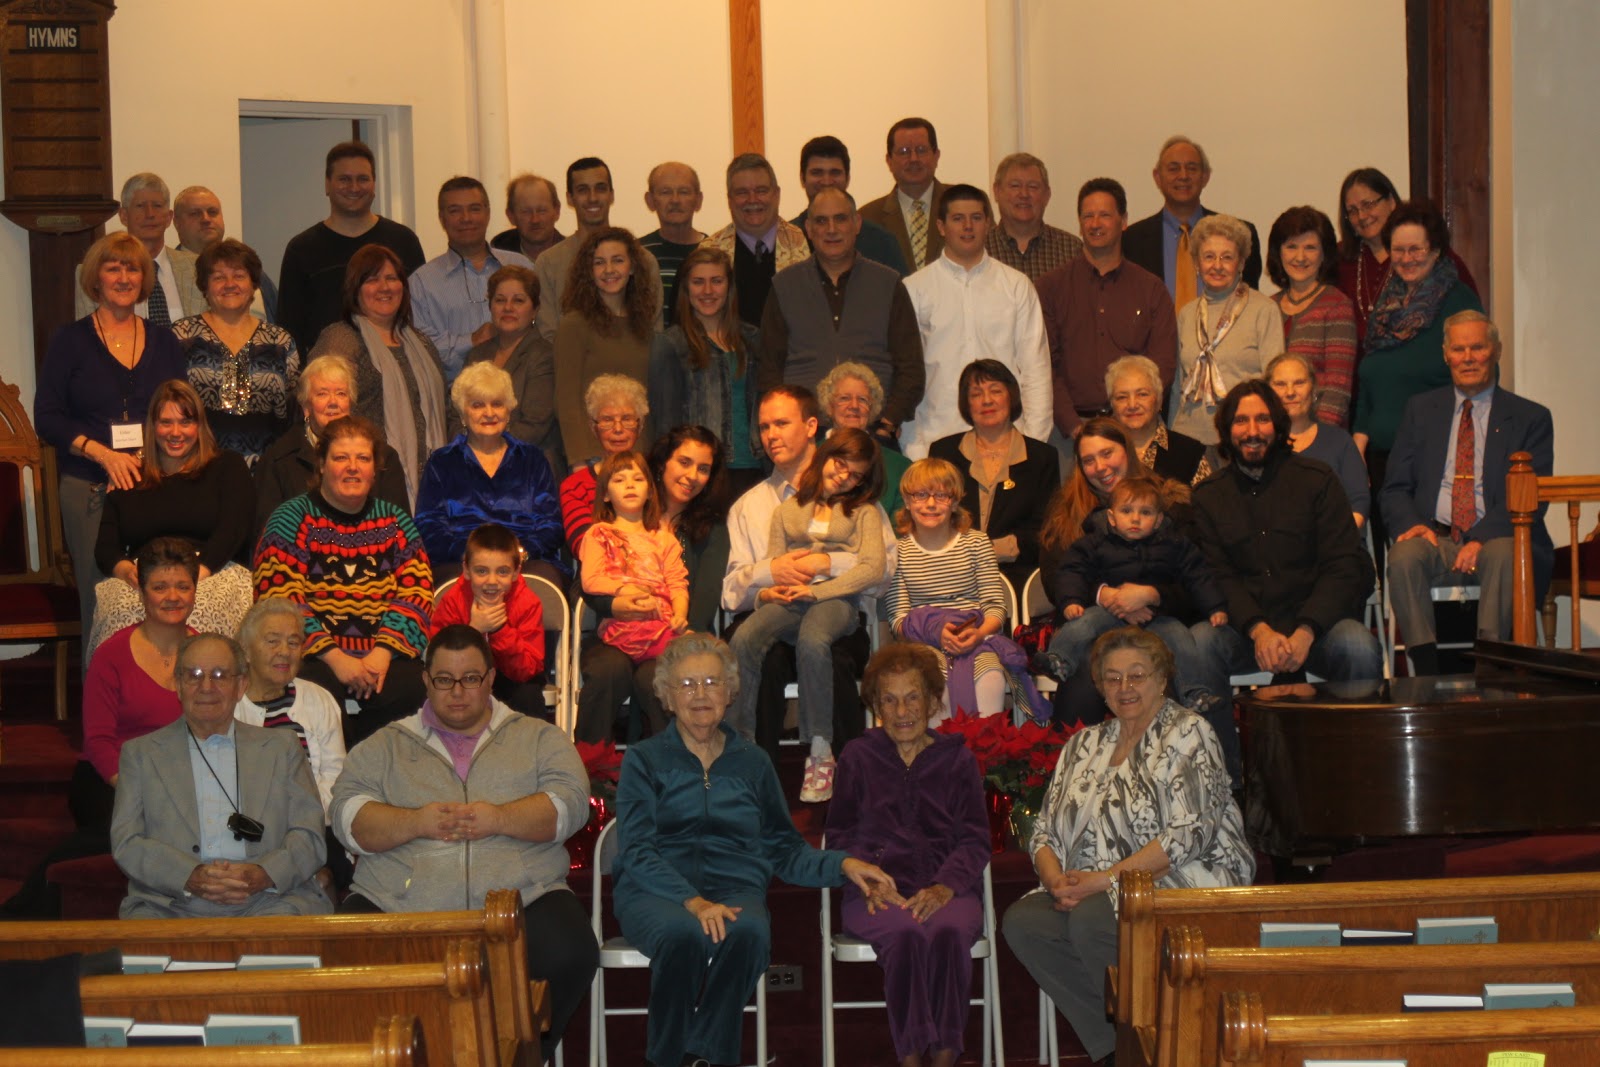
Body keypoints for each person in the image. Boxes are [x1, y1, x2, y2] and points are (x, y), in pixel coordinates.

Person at [612, 632, 896, 1067]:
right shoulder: (645, 759)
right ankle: (668, 1058)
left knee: (750, 932)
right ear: (666, 697)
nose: (700, 694)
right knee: (683, 934)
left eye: (711, 682)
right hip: (657, 893)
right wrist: (693, 901)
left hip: (734, 885)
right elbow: (636, 850)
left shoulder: (753, 762)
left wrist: (844, 864)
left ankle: (700, 1056)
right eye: (687, 685)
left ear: (730, 692)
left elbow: (783, 848)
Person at [329, 624, 598, 1063]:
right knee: (344, 956)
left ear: (491, 678)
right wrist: (415, 822)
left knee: (572, 952)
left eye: (470, 678)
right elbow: (345, 819)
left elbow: (570, 806)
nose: (457, 691)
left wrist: (500, 818)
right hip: (400, 899)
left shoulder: (539, 737)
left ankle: (520, 1057)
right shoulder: (384, 745)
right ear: (425, 680)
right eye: (444, 680)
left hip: (524, 897)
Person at [1002, 627, 1252, 1067]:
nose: (1125, 688)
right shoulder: (1084, 745)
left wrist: (1103, 881)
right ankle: (1118, 1049)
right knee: (1025, 922)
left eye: (1137, 675)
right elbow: (1043, 829)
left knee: (1094, 920)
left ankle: (1156, 1044)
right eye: (1113, 678)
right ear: (1099, 685)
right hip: (1093, 885)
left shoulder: (1188, 733)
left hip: (1187, 878)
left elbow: (1188, 834)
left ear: (1161, 678)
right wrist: (1054, 878)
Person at [1191, 381, 1383, 777]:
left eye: (1262, 418)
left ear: (1278, 426)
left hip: (1317, 627)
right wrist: (1258, 629)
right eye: (1241, 420)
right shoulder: (1209, 496)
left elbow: (1344, 564)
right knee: (1199, 644)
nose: (1252, 430)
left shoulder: (1318, 480)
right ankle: (1225, 776)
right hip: (1246, 631)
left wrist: (1307, 630)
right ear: (1226, 431)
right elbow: (1217, 575)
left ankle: (1359, 772)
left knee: (1359, 646)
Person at [0, 539, 196, 918]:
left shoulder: (207, 652)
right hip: (111, 778)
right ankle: (20, 913)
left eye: (182, 586)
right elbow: (99, 741)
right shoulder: (112, 654)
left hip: (181, 783)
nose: (172, 597)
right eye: (160, 587)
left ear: (194, 591)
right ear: (141, 593)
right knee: (122, 828)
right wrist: (136, 788)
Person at [824, 643, 991, 1067]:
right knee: (906, 934)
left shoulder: (957, 760)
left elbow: (975, 840)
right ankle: (912, 1056)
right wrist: (868, 876)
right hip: (875, 890)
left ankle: (947, 1053)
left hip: (949, 889)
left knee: (950, 932)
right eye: (889, 700)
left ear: (933, 701)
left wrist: (945, 886)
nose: (902, 711)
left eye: (912, 696)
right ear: (876, 706)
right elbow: (840, 833)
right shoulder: (858, 757)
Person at [1380, 311, 1554, 674]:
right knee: (1403, 556)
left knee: (1506, 553)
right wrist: (1414, 525)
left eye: (1477, 347)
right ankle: (1425, 667)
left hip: (1498, 538)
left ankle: (1491, 665)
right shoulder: (1419, 410)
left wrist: (1478, 538)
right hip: (1436, 537)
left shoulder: (1530, 418)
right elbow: (1395, 487)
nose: (1468, 357)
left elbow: (1529, 497)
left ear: (1497, 351)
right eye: (1459, 349)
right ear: (1446, 355)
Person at [112, 633, 332, 919]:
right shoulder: (140, 755)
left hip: (269, 902)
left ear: (241, 685)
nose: (206, 687)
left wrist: (264, 873)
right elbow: (126, 843)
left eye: (219, 675)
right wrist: (189, 875)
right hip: (169, 905)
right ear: (178, 685)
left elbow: (310, 836)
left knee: (283, 945)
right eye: (194, 675)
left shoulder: (282, 748)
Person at [721, 387, 887, 763]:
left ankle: (846, 772)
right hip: (779, 610)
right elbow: (731, 592)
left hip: (838, 611)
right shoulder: (751, 505)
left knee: (832, 652)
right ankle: (752, 768)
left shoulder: (857, 494)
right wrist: (769, 577)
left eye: (781, 423)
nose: (771, 435)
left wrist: (826, 565)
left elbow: (883, 571)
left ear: (811, 425)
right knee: (763, 653)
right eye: (764, 427)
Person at [35, 230, 187, 635]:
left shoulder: (165, 341)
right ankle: (101, 695)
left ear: (143, 279)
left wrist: (148, 460)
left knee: (160, 596)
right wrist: (103, 454)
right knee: (101, 601)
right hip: (90, 488)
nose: (123, 277)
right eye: (113, 267)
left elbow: (182, 414)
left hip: (155, 484)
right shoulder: (69, 340)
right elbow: (47, 417)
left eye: (132, 268)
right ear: (96, 279)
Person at [254, 415, 432, 747]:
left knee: (415, 687)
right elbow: (280, 602)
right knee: (312, 691)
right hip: (315, 660)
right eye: (340, 458)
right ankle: (341, 783)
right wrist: (336, 658)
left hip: (384, 658)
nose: (352, 467)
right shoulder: (291, 519)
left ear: (375, 467)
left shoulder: (396, 522)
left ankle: (380, 783)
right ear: (321, 464)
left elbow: (416, 595)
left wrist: (381, 653)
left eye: (362, 458)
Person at [1036, 418, 1204, 726]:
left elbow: (1194, 582)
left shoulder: (1170, 504)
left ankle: (1166, 766)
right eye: (1088, 460)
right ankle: (1078, 764)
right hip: (1093, 630)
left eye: (1107, 453)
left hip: (1160, 625)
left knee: (1160, 663)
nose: (1100, 466)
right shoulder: (1066, 513)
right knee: (1089, 665)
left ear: (1127, 451)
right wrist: (1108, 597)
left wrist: (1151, 596)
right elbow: (1055, 578)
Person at [88, 380, 254, 653]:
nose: (175, 432)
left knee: (203, 619)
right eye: (166, 422)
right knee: (119, 615)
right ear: (152, 427)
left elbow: (234, 530)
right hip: (145, 576)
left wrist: (191, 576)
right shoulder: (131, 475)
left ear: (199, 427)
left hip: (211, 571)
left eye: (186, 422)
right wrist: (126, 571)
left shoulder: (227, 466)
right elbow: (105, 548)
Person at [1040, 476, 1230, 716]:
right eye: (1127, 511)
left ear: (1159, 520)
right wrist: (1072, 600)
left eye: (1146, 512)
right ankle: (1059, 659)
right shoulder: (1095, 543)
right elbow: (1071, 571)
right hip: (1110, 611)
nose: (1135, 519)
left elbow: (1198, 576)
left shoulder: (1174, 545)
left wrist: (1215, 607)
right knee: (1083, 622)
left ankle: (1194, 691)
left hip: (1157, 616)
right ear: (1112, 517)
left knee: (1183, 639)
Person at [759, 187, 926, 448]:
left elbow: (911, 368)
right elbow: (769, 370)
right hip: (804, 439)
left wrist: (887, 424)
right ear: (809, 229)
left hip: (872, 437)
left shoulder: (888, 283)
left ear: (856, 224)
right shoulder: (784, 286)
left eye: (841, 218)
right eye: (821, 221)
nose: (831, 229)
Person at [901, 183, 1052, 458]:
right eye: (958, 219)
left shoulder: (1016, 286)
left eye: (976, 218)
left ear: (988, 224)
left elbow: (1035, 369)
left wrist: (1032, 441)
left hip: (1007, 440)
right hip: (935, 439)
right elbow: (908, 373)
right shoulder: (915, 289)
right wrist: (915, 446)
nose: (967, 226)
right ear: (941, 226)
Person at [1352, 201, 1484, 514]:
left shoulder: (1458, 301)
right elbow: (1369, 381)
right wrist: (1357, 446)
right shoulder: (1387, 306)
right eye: (1398, 250)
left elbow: (1481, 379)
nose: (1407, 258)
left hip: (1436, 458)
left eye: (1416, 249)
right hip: (1380, 458)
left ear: (1436, 250)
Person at [1037, 178, 1177, 439]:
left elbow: (1163, 365)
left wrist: (1128, 417)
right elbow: (1045, 365)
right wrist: (1074, 426)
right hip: (1069, 431)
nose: (1095, 224)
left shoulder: (1151, 289)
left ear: (1123, 221)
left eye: (1105, 215)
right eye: (1088, 216)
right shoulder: (1050, 288)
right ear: (1079, 224)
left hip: (1136, 428)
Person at [887, 458, 1028, 718]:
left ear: (954, 502)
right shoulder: (898, 551)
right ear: (907, 501)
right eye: (920, 495)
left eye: (941, 495)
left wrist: (978, 633)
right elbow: (898, 619)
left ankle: (983, 752)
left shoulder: (976, 543)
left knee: (990, 675)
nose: (930, 503)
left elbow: (995, 606)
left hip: (976, 637)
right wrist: (936, 633)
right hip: (923, 643)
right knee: (932, 679)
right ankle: (941, 755)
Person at [308, 243, 449, 502]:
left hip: (432, 483)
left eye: (391, 278)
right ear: (355, 289)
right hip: (368, 482)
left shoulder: (422, 343)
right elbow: (324, 409)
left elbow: (446, 407)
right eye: (372, 280)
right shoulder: (341, 339)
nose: (384, 287)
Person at [415, 360, 563, 585]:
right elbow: (429, 526)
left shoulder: (533, 459)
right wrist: (474, 558)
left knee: (545, 579)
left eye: (497, 404)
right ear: (463, 414)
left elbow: (551, 525)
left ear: (509, 410)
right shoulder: (442, 462)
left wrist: (517, 554)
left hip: (524, 561)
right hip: (461, 563)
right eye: (477, 405)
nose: (489, 413)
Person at [276, 141, 426, 354]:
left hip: (397, 367)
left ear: (374, 184)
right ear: (327, 185)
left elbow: (419, 314)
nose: (354, 187)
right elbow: (289, 328)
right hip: (327, 375)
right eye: (344, 179)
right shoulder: (302, 249)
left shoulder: (403, 241)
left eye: (363, 179)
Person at [929, 360, 1061, 592]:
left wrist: (993, 550)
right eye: (976, 394)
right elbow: (933, 517)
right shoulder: (943, 452)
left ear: (1011, 396)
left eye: (996, 391)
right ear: (966, 404)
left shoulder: (1042, 457)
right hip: (951, 574)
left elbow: (1047, 530)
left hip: (1017, 576)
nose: (987, 400)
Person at [648, 247, 764, 493]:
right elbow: (666, 427)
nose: (708, 291)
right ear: (686, 289)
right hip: (700, 475)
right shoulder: (671, 344)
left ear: (729, 287)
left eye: (717, 281)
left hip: (755, 469)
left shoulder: (752, 339)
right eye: (698, 282)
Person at [175, 238, 299, 465]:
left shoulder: (280, 341)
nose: (229, 284)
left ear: (254, 285)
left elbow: (293, 414)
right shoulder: (182, 336)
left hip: (268, 471)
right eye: (219, 277)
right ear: (205, 286)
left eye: (239, 276)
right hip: (197, 469)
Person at [1171, 214, 1284, 445]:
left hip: (1240, 439)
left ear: (1241, 263)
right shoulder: (1186, 313)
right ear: (1196, 262)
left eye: (1227, 257)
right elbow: (1177, 387)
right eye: (1209, 257)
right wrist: (1171, 437)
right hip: (1188, 437)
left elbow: (1274, 385)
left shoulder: (1264, 310)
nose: (1217, 266)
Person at [254, 353, 409, 522]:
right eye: (322, 394)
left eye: (341, 393)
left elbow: (399, 527)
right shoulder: (278, 461)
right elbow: (268, 534)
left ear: (350, 403)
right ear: (306, 407)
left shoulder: (383, 457)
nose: (333, 402)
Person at [409, 176, 534, 383]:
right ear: (442, 218)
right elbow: (420, 349)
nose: (466, 218)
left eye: (475, 209)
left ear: (488, 213)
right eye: (455, 210)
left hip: (525, 394)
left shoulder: (522, 267)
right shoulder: (421, 283)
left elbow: (541, 330)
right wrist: (471, 341)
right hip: (456, 403)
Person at [1334, 167, 1479, 345]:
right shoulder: (1339, 259)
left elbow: (1473, 319)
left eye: (1368, 204)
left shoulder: (1434, 257)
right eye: (1352, 211)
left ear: (1391, 201)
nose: (1362, 216)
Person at [233, 598, 346, 818]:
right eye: (273, 641)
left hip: (314, 824)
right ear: (246, 651)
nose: (285, 651)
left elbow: (336, 777)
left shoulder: (318, 699)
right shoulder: (228, 704)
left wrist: (303, 816)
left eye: (294, 643)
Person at [554, 226, 657, 466]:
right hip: (592, 457)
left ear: (632, 267)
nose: (609, 270)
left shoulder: (643, 325)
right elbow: (566, 402)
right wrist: (580, 461)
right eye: (599, 263)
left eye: (618, 260)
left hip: (637, 455)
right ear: (588, 271)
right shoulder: (574, 325)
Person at [533, 157, 663, 342]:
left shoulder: (643, 260)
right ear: (570, 198)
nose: (593, 198)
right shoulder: (549, 263)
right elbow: (548, 336)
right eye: (583, 190)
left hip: (634, 368)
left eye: (600, 188)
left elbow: (653, 332)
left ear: (611, 195)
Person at [1122, 136, 1263, 307]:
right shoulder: (1131, 240)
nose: (1183, 176)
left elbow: (1250, 303)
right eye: (1173, 169)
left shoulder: (1240, 235)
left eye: (1192, 168)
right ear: (1157, 177)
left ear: (1205, 176)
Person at [579, 450, 689, 668]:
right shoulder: (599, 534)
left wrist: (680, 614)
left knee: (694, 654)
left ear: (649, 491)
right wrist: (626, 590)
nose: (630, 485)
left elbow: (678, 584)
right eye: (619, 480)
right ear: (606, 495)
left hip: (663, 623)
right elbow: (590, 580)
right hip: (624, 625)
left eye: (638, 479)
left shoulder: (665, 540)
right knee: (689, 655)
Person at [429, 522, 548, 717]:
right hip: (464, 676)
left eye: (502, 571)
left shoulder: (528, 602)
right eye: (482, 571)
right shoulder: (454, 600)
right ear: (467, 570)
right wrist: (474, 631)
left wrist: (499, 630)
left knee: (528, 696)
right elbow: (438, 660)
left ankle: (527, 746)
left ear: (516, 572)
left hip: (513, 677)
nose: (492, 581)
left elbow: (529, 669)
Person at [456, 263, 562, 473]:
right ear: (491, 307)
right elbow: (455, 413)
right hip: (474, 466)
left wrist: (489, 451)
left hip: (528, 469)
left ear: (535, 309)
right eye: (500, 300)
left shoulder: (544, 355)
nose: (508, 308)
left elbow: (535, 425)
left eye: (518, 301)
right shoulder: (477, 355)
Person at [1267, 207, 1357, 427]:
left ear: (1324, 253)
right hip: (1272, 436)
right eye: (1291, 247)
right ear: (1278, 252)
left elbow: (1338, 388)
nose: (1300, 257)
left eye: (1310, 247)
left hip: (1318, 435)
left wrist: (1316, 439)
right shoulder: (1267, 307)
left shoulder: (1337, 306)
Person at [72, 173, 204, 324]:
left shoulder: (196, 267)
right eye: (140, 206)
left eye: (157, 206)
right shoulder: (93, 272)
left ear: (168, 218)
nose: (150, 214)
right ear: (123, 216)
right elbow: (86, 337)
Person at [698, 153, 811, 326]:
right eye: (742, 192)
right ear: (729, 199)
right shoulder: (708, 253)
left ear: (777, 194)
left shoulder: (808, 246)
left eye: (761, 191)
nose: (752, 200)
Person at [1266, 352, 1369, 527]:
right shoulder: (1260, 447)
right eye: (1280, 384)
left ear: (1313, 389)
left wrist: (1332, 543)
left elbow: (1359, 502)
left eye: (1299, 383)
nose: (1290, 392)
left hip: (1338, 544)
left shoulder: (1339, 441)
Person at [649, 425, 731, 633]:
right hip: (627, 631)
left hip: (685, 636)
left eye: (703, 469)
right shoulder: (631, 514)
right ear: (662, 463)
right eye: (684, 462)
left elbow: (705, 599)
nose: (693, 475)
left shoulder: (713, 528)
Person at [789, 135, 909, 275]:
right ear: (802, 178)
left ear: (848, 178)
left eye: (835, 172)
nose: (826, 181)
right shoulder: (785, 240)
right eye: (817, 173)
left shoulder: (881, 242)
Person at [560, 374, 649, 554]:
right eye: (607, 420)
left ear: (640, 426)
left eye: (627, 419)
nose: (618, 429)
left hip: (654, 571)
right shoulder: (575, 486)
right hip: (598, 573)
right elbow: (582, 546)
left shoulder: (655, 477)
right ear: (594, 428)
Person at [819, 362, 912, 518]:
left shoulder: (900, 467)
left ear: (872, 408)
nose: (854, 405)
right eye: (844, 398)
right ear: (829, 406)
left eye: (862, 400)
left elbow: (902, 529)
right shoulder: (810, 456)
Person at [174, 185, 279, 321]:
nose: (206, 219)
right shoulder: (169, 273)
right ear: (176, 222)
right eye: (195, 213)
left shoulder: (252, 270)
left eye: (212, 212)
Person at [1104, 354, 1210, 486]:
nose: (1132, 405)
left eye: (1142, 394)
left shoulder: (1189, 453)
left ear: (1159, 400)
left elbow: (1208, 504)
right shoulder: (1100, 452)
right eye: (1122, 397)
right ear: (1112, 405)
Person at [859, 118, 947, 271]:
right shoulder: (867, 217)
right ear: (889, 161)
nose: (913, 159)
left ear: (936, 155)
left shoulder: (964, 206)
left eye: (921, 150)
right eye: (904, 152)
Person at [986, 152, 1083, 281]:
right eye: (1015, 186)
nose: (1024, 194)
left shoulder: (1072, 250)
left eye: (1033, 187)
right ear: (997, 191)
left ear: (1047, 195)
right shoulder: (980, 248)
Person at [639, 161, 707, 322]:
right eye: (665, 192)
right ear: (650, 200)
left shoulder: (714, 251)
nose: (675, 200)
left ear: (698, 200)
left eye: (684, 192)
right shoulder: (637, 254)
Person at [491, 173, 565, 263]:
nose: (535, 220)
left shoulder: (574, 258)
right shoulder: (495, 262)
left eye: (542, 211)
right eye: (526, 212)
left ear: (557, 211)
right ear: (511, 216)